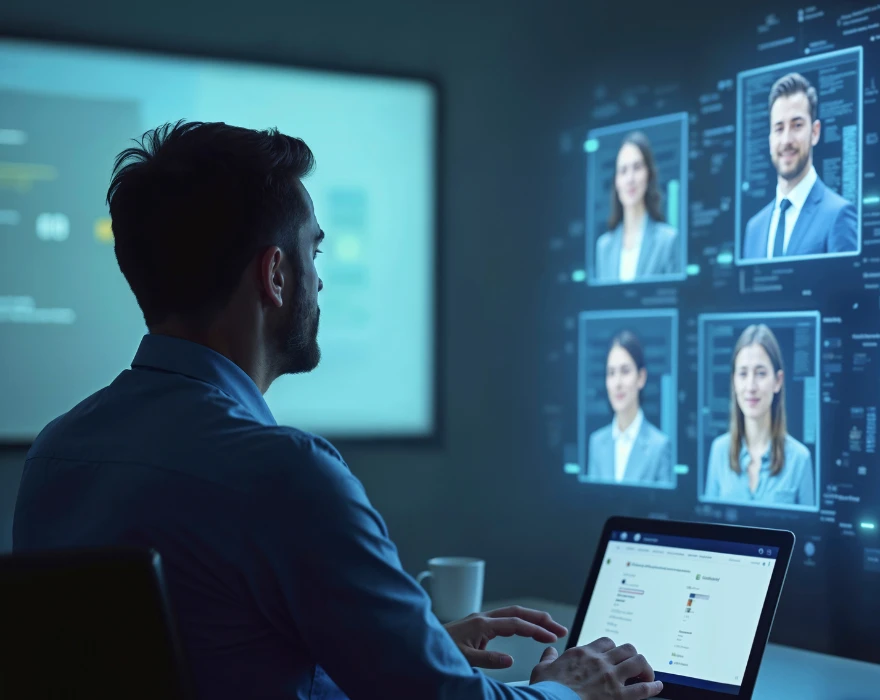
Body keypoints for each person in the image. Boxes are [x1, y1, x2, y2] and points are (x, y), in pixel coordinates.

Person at [12, 121, 663, 700]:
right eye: (312, 252)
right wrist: (571, 690)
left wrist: (401, 641)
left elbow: (217, 658)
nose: (318, 279)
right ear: (275, 275)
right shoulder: (284, 473)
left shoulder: (57, 452)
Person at [742, 72, 857, 261]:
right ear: (770, 138)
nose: (786, 140)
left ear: (815, 132)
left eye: (797, 125)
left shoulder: (838, 215)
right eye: (779, 128)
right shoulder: (754, 228)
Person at [703, 324, 816, 507]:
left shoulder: (800, 459)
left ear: (778, 381)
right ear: (734, 381)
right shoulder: (719, 452)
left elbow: (808, 534)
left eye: (760, 373)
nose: (750, 387)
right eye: (743, 374)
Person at [593, 131, 682, 282]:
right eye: (623, 170)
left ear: (649, 174)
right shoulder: (604, 247)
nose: (630, 178)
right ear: (616, 181)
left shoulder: (668, 241)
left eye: (637, 167)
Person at [586, 331, 672, 486]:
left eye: (625, 371)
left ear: (641, 377)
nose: (617, 383)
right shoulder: (597, 443)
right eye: (611, 373)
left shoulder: (659, 447)